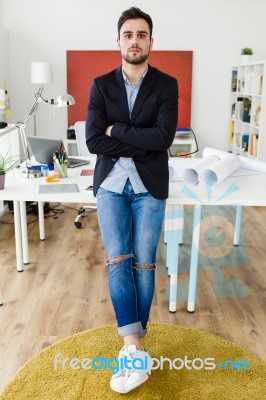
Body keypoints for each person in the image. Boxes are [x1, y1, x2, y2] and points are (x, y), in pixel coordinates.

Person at [86, 6, 178, 394]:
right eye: (128, 34)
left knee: (144, 264)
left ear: (151, 41)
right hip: (110, 185)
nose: (135, 40)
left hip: (149, 186)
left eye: (142, 34)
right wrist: (137, 138)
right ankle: (133, 346)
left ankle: (134, 347)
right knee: (118, 261)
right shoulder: (101, 84)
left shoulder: (166, 84)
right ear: (118, 40)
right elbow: (93, 140)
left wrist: (117, 131)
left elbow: (163, 139)